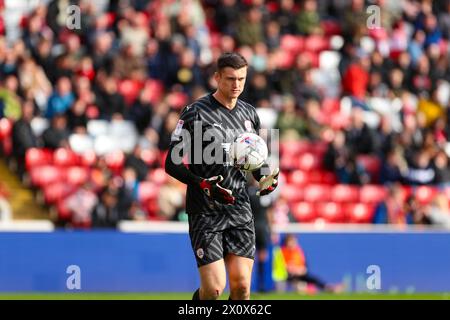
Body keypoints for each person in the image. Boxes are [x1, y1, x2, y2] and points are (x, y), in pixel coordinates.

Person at [165, 52, 279, 300]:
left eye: (241, 79)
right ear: (216, 77)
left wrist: (264, 178)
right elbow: (171, 164)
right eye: (230, 79)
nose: (236, 85)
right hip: (205, 210)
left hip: (239, 208)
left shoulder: (250, 115)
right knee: (214, 289)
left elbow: (253, 162)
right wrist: (203, 184)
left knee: (241, 289)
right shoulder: (195, 113)